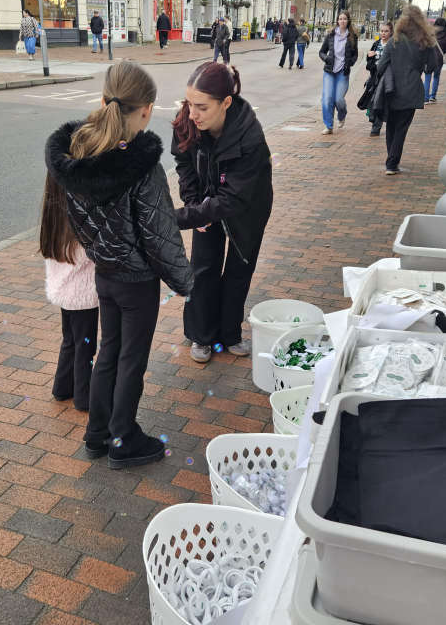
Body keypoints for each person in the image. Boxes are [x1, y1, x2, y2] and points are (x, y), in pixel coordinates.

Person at [45, 63, 193, 469]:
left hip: (104, 274)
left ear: (103, 100)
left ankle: (97, 433)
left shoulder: (76, 154)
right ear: (146, 110)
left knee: (109, 351)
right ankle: (124, 438)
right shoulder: (142, 166)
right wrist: (187, 282)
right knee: (131, 359)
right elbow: (160, 234)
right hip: (136, 281)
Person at [172, 62, 272, 364]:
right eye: (189, 103)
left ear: (226, 102)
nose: (193, 113)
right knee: (203, 267)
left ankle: (230, 333)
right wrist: (194, 206)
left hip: (247, 205)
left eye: (202, 107)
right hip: (206, 199)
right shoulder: (187, 120)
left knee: (239, 268)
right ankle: (201, 335)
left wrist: (179, 218)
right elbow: (184, 164)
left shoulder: (250, 137)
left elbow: (232, 199)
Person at [39, 173, 99, 411]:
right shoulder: (80, 218)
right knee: (85, 345)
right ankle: (84, 397)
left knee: (70, 340)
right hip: (82, 294)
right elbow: (92, 252)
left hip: (64, 290)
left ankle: (62, 387)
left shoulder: (53, 214)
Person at [375, 5, 438, 176]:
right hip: (412, 90)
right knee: (401, 128)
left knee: (391, 126)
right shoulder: (424, 42)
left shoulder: (394, 40)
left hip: (392, 90)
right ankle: (392, 163)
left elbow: (380, 66)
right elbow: (431, 67)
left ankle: (391, 161)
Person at [319, 10, 358, 135]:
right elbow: (321, 52)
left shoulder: (352, 37)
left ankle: (342, 115)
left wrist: (350, 63)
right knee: (327, 98)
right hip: (329, 71)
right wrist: (327, 58)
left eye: (345, 19)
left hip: (343, 72)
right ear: (337, 20)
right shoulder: (331, 35)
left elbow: (355, 54)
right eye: (340, 19)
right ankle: (329, 126)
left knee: (339, 100)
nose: (342, 21)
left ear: (348, 21)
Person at [365, 20, 393, 136]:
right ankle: (374, 120)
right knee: (372, 99)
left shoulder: (392, 45)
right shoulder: (376, 43)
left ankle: (376, 126)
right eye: (382, 31)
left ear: (391, 32)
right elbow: (369, 60)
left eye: (386, 31)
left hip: (386, 76)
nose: (383, 33)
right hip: (375, 76)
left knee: (378, 99)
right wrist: (369, 56)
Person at [424, 17, 446, 104]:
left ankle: (425, 98)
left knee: (427, 77)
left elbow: (425, 45)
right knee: (436, 77)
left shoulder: (429, 33)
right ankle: (433, 97)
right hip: (439, 59)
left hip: (429, 58)